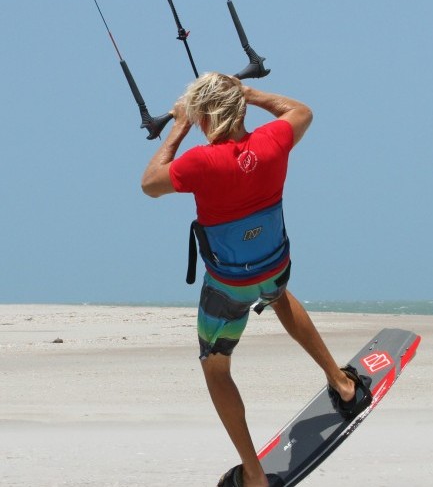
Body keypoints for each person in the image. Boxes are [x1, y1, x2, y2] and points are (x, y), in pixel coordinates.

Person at [141, 73, 372, 487]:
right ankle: (343, 385)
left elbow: (150, 184)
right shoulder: (273, 142)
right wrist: (251, 92)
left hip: (229, 286)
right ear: (240, 107)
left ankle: (253, 475)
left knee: (216, 368)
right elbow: (302, 111)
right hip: (275, 266)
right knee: (279, 295)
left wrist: (179, 126)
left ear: (205, 116)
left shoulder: (199, 163)